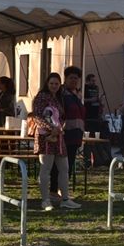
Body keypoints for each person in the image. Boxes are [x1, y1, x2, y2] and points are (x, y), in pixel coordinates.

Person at [31, 72, 81, 211]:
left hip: (58, 136)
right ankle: (45, 200)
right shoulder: (41, 97)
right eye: (52, 83)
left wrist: (60, 127)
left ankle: (65, 198)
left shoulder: (58, 98)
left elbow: (62, 116)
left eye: (56, 84)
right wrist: (51, 129)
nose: (54, 86)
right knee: (46, 168)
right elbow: (37, 116)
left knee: (64, 168)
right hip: (45, 137)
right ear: (47, 84)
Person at [51, 66, 86, 195]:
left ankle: (63, 190)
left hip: (76, 134)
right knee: (58, 164)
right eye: (71, 78)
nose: (74, 81)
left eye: (76, 78)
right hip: (64, 134)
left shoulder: (76, 95)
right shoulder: (62, 94)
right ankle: (54, 189)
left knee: (69, 164)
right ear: (65, 78)